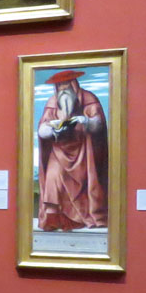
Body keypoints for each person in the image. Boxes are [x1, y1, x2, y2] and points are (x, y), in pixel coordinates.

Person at [37, 69, 108, 231]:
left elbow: (99, 124)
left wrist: (86, 121)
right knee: (53, 177)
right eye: (59, 86)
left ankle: (80, 217)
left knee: (82, 184)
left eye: (66, 85)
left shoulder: (88, 98)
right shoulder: (52, 102)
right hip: (59, 149)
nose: (63, 89)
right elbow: (42, 128)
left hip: (82, 151)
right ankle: (53, 218)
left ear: (74, 85)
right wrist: (52, 128)